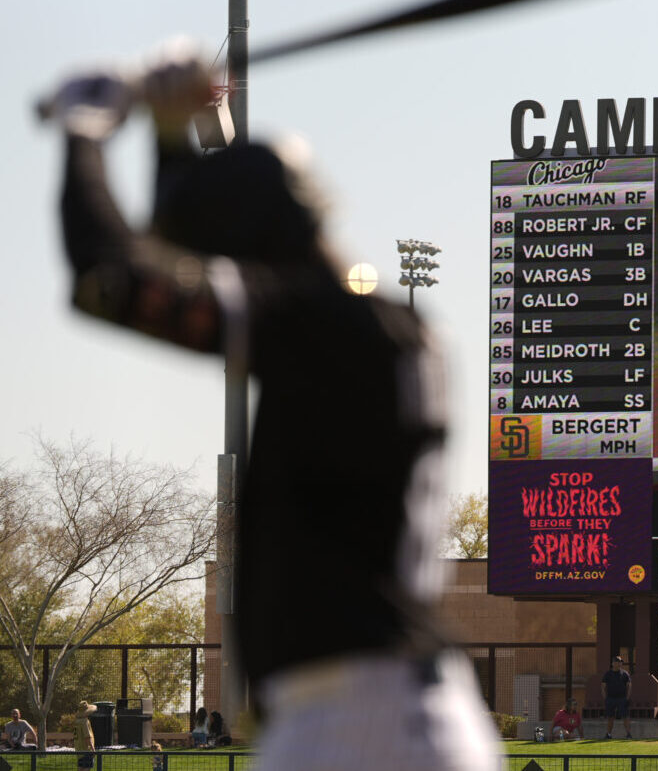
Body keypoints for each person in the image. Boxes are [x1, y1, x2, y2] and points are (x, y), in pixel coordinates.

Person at [47, 49, 496, 771]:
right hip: (374, 709)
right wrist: (174, 129)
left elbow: (113, 276)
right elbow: (187, 252)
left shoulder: (329, 329)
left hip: (365, 717)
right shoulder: (371, 324)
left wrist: (87, 128)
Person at [603, 655, 633, 738]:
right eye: (617, 662)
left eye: (620, 662)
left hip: (622, 698)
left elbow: (629, 685)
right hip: (610, 698)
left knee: (625, 716)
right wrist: (605, 698)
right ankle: (608, 734)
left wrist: (627, 697)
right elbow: (603, 686)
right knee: (610, 717)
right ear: (613, 663)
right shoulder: (608, 674)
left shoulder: (625, 674)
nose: (619, 663)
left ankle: (628, 734)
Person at [74, 703, 96, 770]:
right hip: (86, 749)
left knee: (80, 768)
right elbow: (87, 736)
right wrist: (93, 749)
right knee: (87, 768)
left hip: (79, 749)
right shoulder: (85, 722)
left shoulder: (77, 721)